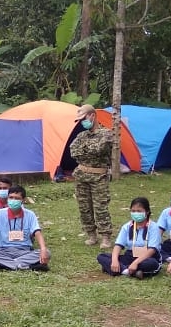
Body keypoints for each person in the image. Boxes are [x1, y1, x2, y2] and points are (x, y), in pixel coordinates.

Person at [69, 104, 114, 247]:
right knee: (84, 207)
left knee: (100, 207)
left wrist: (84, 149)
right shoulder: (81, 135)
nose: (82, 122)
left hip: (99, 177)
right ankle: (91, 234)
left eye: (84, 118)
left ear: (92, 115)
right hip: (81, 176)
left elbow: (99, 150)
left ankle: (105, 236)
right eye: (80, 120)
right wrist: (88, 150)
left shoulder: (106, 134)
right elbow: (73, 151)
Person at [0, 185, 51, 271]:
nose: (13, 200)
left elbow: (37, 233)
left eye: (17, 198)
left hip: (25, 251)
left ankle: (8, 265)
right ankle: (26, 266)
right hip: (3, 251)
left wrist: (43, 249)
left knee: (47, 253)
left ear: (23, 200)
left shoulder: (30, 214)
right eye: (11, 197)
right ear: (7, 198)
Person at [97, 197, 162, 278]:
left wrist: (136, 263)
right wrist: (114, 261)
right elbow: (118, 245)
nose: (136, 213)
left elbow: (152, 250)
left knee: (151, 264)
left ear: (147, 212)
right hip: (131, 255)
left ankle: (118, 269)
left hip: (147, 257)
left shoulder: (154, 227)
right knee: (102, 256)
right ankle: (129, 271)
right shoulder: (127, 226)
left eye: (139, 211)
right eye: (133, 211)